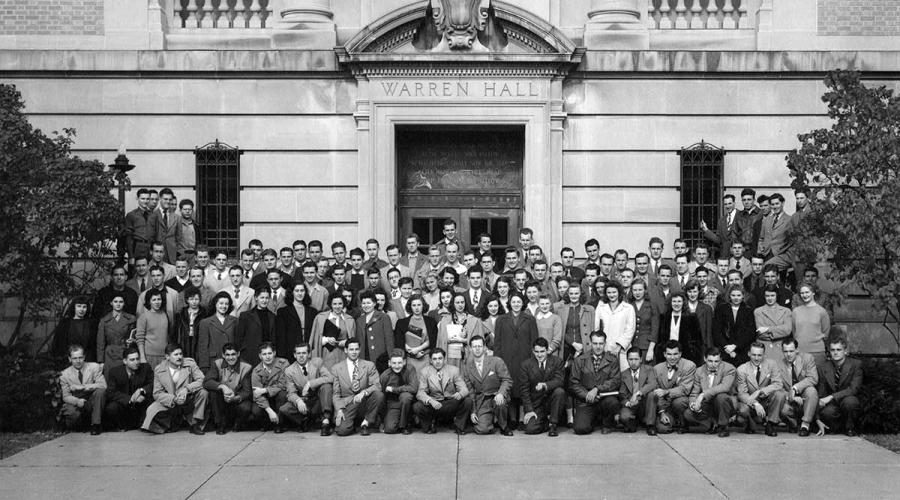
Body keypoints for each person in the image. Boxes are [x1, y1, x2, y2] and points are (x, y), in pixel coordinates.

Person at [493, 293, 539, 427]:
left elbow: (534, 341)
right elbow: (497, 343)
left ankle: (521, 418)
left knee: (523, 387)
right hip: (506, 359)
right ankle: (512, 419)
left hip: (524, 358)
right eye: (513, 302)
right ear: (509, 303)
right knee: (510, 388)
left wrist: (532, 360)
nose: (516, 304)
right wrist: (498, 360)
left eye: (519, 302)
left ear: (522, 303)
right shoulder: (501, 319)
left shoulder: (530, 319)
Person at [141, 343, 208, 435]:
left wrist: (187, 389)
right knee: (151, 411)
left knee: (203, 393)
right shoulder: (159, 369)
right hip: (171, 401)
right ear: (167, 357)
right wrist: (173, 399)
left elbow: (202, 380)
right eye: (176, 355)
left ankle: (195, 424)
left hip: (189, 398)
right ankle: (172, 424)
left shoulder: (190, 364)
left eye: (180, 354)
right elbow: (157, 393)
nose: (179, 357)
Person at [570, 331, 621, 435]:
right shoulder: (580, 360)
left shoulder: (613, 360)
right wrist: (587, 395)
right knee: (580, 429)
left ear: (605, 343)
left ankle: (607, 424)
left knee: (613, 402)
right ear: (590, 343)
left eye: (601, 344)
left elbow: (615, 381)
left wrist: (597, 389)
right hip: (586, 400)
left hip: (604, 398)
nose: (598, 347)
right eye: (595, 343)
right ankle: (593, 420)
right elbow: (573, 383)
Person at [279, 343, 336, 435]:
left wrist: (310, 383)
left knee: (327, 386)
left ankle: (326, 421)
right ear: (294, 355)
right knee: (284, 409)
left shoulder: (317, 362)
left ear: (309, 354)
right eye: (298, 353)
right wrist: (298, 401)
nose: (301, 356)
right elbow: (290, 393)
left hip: (318, 399)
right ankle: (307, 420)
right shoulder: (289, 370)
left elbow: (330, 378)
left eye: (304, 353)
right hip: (304, 400)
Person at [331, 338, 384, 436]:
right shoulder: (337, 368)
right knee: (342, 431)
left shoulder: (369, 365)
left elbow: (377, 385)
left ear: (359, 350)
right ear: (346, 350)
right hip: (348, 404)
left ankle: (366, 423)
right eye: (351, 349)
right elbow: (336, 394)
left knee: (378, 395)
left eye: (356, 349)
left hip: (364, 402)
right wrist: (339, 409)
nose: (354, 352)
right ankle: (354, 422)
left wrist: (363, 393)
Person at [463, 335, 513, 435]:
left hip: (496, 396)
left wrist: (501, 393)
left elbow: (507, 380)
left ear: (485, 347)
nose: (477, 349)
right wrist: (473, 411)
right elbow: (471, 391)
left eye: (479, 346)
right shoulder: (468, 367)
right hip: (482, 400)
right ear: (470, 349)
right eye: (474, 346)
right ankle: (489, 421)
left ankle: (504, 426)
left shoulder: (496, 361)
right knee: (482, 429)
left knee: (500, 403)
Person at [414, 348, 471, 434]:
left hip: (450, 403)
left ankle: (459, 426)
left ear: (444, 359)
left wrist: (460, 393)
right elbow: (420, 393)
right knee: (417, 406)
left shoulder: (454, 370)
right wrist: (431, 400)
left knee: (467, 401)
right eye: (434, 359)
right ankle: (429, 426)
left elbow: (464, 389)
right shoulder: (425, 372)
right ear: (430, 361)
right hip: (435, 404)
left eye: (440, 358)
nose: (437, 361)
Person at [683, 347, 736, 437]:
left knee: (721, 396)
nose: (713, 364)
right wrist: (694, 404)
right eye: (710, 361)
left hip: (724, 405)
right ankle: (712, 423)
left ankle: (723, 427)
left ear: (721, 360)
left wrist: (703, 394)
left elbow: (725, 387)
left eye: (716, 361)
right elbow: (694, 392)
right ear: (705, 359)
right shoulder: (699, 371)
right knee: (688, 414)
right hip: (708, 404)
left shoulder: (729, 368)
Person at [736, 342, 785, 436]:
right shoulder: (742, 369)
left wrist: (760, 391)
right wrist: (755, 403)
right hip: (750, 402)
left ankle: (771, 424)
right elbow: (742, 394)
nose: (756, 358)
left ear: (764, 355)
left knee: (780, 394)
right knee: (743, 410)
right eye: (753, 355)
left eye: (759, 355)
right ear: (749, 354)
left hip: (767, 400)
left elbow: (778, 384)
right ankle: (750, 424)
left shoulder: (772, 364)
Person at [520, 337, 566, 436]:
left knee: (559, 391)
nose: (539, 355)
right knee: (530, 430)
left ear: (547, 350)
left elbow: (559, 381)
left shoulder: (557, 362)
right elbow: (524, 390)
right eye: (536, 352)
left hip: (552, 401)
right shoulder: (526, 365)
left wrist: (545, 385)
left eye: (542, 351)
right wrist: (529, 410)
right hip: (536, 404)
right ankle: (545, 423)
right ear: (533, 351)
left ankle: (553, 424)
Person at [203, 343, 252, 434]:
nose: (230, 358)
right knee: (213, 393)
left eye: (233, 354)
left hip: (237, 399)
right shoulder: (217, 363)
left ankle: (238, 423)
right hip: (221, 399)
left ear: (238, 354)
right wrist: (222, 387)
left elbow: (247, 391)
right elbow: (207, 381)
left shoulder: (246, 367)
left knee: (246, 408)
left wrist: (235, 398)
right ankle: (220, 424)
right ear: (223, 355)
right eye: (227, 355)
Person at [648, 340, 696, 435]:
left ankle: (684, 423)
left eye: (675, 354)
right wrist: (662, 412)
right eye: (669, 354)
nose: (672, 357)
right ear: (664, 354)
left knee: (678, 402)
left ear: (680, 354)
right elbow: (657, 392)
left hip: (682, 401)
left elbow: (685, 389)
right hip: (665, 405)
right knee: (663, 429)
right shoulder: (657, 369)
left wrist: (666, 392)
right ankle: (672, 421)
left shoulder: (689, 366)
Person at [817, 337, 862, 436]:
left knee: (850, 403)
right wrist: (817, 417)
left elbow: (854, 388)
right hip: (833, 404)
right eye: (832, 350)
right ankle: (837, 428)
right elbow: (821, 392)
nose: (835, 353)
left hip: (848, 398)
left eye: (839, 350)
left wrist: (831, 396)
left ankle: (850, 428)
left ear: (845, 351)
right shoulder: (823, 367)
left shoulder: (856, 365)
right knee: (827, 412)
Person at [59, 344, 107, 435]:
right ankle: (82, 425)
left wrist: (84, 386)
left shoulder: (94, 367)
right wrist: (77, 401)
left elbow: (103, 385)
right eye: (75, 358)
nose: (78, 361)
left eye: (80, 357)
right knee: (72, 414)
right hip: (77, 401)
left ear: (84, 357)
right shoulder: (64, 374)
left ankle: (95, 425)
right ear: (69, 359)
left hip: (93, 400)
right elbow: (66, 396)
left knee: (100, 392)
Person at [104, 346, 153, 431]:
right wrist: (130, 399)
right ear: (125, 361)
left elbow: (153, 384)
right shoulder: (114, 372)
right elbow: (110, 392)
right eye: (132, 360)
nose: (136, 362)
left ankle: (143, 425)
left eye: (137, 359)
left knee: (151, 402)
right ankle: (120, 426)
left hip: (141, 402)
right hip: (124, 403)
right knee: (111, 408)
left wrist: (142, 391)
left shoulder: (146, 368)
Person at [778, 337, 819, 436]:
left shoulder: (807, 358)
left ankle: (805, 425)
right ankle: (794, 425)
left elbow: (813, 378)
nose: (788, 354)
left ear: (797, 350)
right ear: (782, 351)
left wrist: (795, 388)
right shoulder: (778, 365)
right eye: (785, 351)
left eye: (791, 351)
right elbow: (778, 386)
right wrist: (791, 396)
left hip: (806, 397)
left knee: (811, 390)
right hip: (791, 399)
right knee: (781, 406)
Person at [595, 280, 636, 371]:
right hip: (605, 348)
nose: (611, 295)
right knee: (605, 376)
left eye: (614, 292)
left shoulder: (628, 308)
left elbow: (630, 330)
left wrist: (618, 346)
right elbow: (596, 328)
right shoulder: (601, 308)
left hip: (622, 350)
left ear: (619, 292)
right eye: (609, 292)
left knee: (624, 375)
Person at [249, 342, 289, 432]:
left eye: (270, 353)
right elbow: (257, 394)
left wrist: (265, 390)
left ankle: (279, 424)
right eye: (264, 354)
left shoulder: (283, 363)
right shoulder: (256, 371)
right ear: (260, 356)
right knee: (256, 410)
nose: (267, 357)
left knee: (282, 394)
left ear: (274, 353)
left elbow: (283, 384)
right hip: (266, 399)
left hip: (279, 397)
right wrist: (269, 410)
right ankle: (267, 423)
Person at [437, 292, 484, 368]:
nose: (460, 305)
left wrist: (464, 340)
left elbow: (479, 341)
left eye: (462, 302)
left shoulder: (474, 320)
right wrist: (448, 340)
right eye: (457, 302)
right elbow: (440, 341)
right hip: (450, 356)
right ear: (453, 304)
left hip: (467, 355)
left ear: (465, 303)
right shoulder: (445, 320)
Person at [713, 285, 756, 367]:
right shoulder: (721, 309)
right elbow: (716, 331)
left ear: (743, 296)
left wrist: (735, 346)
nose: (736, 298)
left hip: (742, 350)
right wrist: (727, 347)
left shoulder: (748, 310)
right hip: (724, 350)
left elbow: (750, 332)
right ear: (729, 296)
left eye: (739, 295)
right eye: (733, 295)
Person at [309, 291, 355, 368]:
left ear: (343, 304)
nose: (337, 306)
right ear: (330, 304)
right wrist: (326, 339)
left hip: (344, 354)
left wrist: (347, 342)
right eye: (334, 304)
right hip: (326, 354)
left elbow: (353, 340)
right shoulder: (321, 318)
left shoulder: (350, 320)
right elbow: (315, 340)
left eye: (340, 304)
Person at [273, 283, 317, 362]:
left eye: (302, 290)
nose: (300, 293)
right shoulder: (283, 312)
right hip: (290, 352)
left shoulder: (313, 311)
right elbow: (281, 336)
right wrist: (281, 356)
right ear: (292, 293)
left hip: (309, 352)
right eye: (297, 291)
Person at [618, 347, 657, 434]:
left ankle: (650, 425)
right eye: (630, 359)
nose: (633, 362)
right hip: (632, 405)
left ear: (641, 359)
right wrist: (628, 403)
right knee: (624, 417)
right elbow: (622, 394)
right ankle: (634, 422)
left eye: (636, 359)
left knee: (652, 394)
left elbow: (652, 384)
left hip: (644, 403)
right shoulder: (624, 374)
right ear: (627, 360)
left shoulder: (649, 369)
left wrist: (637, 393)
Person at [395, 295, 438, 374]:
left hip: (425, 358)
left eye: (419, 305)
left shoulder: (431, 321)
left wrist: (418, 350)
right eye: (414, 305)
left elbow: (432, 340)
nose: (416, 308)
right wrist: (411, 351)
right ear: (410, 307)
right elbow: (399, 341)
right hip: (409, 359)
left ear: (423, 306)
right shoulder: (402, 322)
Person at [380, 348, 419, 435]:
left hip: (408, 402)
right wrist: (384, 418)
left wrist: (394, 389)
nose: (397, 366)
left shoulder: (410, 369)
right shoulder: (385, 376)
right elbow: (382, 397)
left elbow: (413, 388)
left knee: (405, 396)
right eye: (394, 363)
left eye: (400, 363)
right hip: (393, 404)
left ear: (404, 362)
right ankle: (399, 420)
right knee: (390, 429)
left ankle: (404, 425)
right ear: (389, 363)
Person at [656, 293, 703, 364]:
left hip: (686, 354)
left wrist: (694, 353)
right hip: (668, 354)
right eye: (674, 301)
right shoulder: (664, 317)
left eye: (679, 301)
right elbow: (660, 338)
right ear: (670, 303)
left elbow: (698, 339)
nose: (676, 304)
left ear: (683, 303)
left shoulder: (692, 317)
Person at [195, 291, 236, 372]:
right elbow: (203, 347)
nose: (224, 306)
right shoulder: (205, 322)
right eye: (221, 303)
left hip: (231, 361)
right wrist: (204, 367)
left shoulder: (235, 321)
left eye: (226, 304)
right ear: (215, 304)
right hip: (213, 362)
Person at [356, 290, 395, 373]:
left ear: (374, 303)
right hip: (364, 357)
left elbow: (389, 340)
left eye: (368, 303)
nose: (366, 305)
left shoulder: (383, 317)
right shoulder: (359, 320)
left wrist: (392, 358)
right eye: (364, 303)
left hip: (381, 358)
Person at [793, 283, 831, 367]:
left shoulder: (822, 311)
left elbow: (826, 333)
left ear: (813, 292)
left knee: (818, 378)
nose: (804, 295)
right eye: (802, 293)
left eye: (807, 292)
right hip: (800, 351)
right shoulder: (796, 311)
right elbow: (794, 331)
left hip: (817, 353)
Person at [235, 287, 276, 365]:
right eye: (262, 297)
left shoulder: (272, 316)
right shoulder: (245, 316)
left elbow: (273, 338)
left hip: (267, 356)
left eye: (267, 298)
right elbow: (239, 338)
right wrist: (242, 353)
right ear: (256, 298)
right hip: (249, 356)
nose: (264, 300)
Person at [96, 292, 137, 370]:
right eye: (115, 301)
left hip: (126, 353)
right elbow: (100, 343)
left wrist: (132, 341)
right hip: (110, 355)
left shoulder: (131, 319)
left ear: (124, 303)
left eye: (121, 302)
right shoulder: (104, 321)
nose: (118, 304)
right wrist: (101, 361)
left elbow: (136, 337)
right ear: (111, 303)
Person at [51, 297, 96, 366]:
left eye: (84, 307)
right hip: (68, 360)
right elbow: (58, 343)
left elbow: (94, 345)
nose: (81, 309)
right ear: (73, 307)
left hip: (87, 360)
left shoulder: (91, 324)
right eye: (79, 306)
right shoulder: (65, 323)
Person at [753, 286, 794, 361]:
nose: (770, 298)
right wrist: (780, 331)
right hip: (765, 348)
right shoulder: (758, 311)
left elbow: (787, 330)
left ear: (777, 296)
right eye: (767, 296)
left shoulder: (786, 311)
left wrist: (768, 329)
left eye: (772, 295)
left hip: (781, 348)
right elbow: (761, 333)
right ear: (764, 297)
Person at [757, 193, 794, 272]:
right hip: (766, 254)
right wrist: (761, 246)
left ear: (783, 203)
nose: (775, 206)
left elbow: (791, 242)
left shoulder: (789, 220)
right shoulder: (767, 219)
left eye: (777, 204)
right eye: (772, 204)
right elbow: (761, 238)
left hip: (779, 255)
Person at [136, 288, 171, 367]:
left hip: (164, 356)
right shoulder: (143, 316)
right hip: (149, 356)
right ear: (149, 301)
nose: (157, 302)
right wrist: (142, 357)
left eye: (159, 299)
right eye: (154, 300)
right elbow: (140, 338)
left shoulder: (164, 314)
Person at [630, 279, 659, 364]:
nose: (637, 293)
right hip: (632, 346)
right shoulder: (629, 306)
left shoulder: (652, 305)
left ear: (645, 290)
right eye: (635, 290)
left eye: (640, 290)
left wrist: (650, 349)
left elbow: (655, 329)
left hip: (646, 347)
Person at [172, 286, 205, 361]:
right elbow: (174, 334)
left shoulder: (204, 314)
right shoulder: (180, 315)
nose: (194, 302)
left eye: (196, 299)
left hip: (198, 344)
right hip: (183, 343)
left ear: (200, 300)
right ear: (187, 300)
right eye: (191, 299)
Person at [123, 188, 152, 264]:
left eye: (147, 199)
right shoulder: (131, 215)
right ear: (137, 198)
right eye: (143, 199)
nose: (145, 201)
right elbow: (128, 237)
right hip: (138, 246)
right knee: (136, 270)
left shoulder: (152, 215)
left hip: (150, 247)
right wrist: (131, 255)